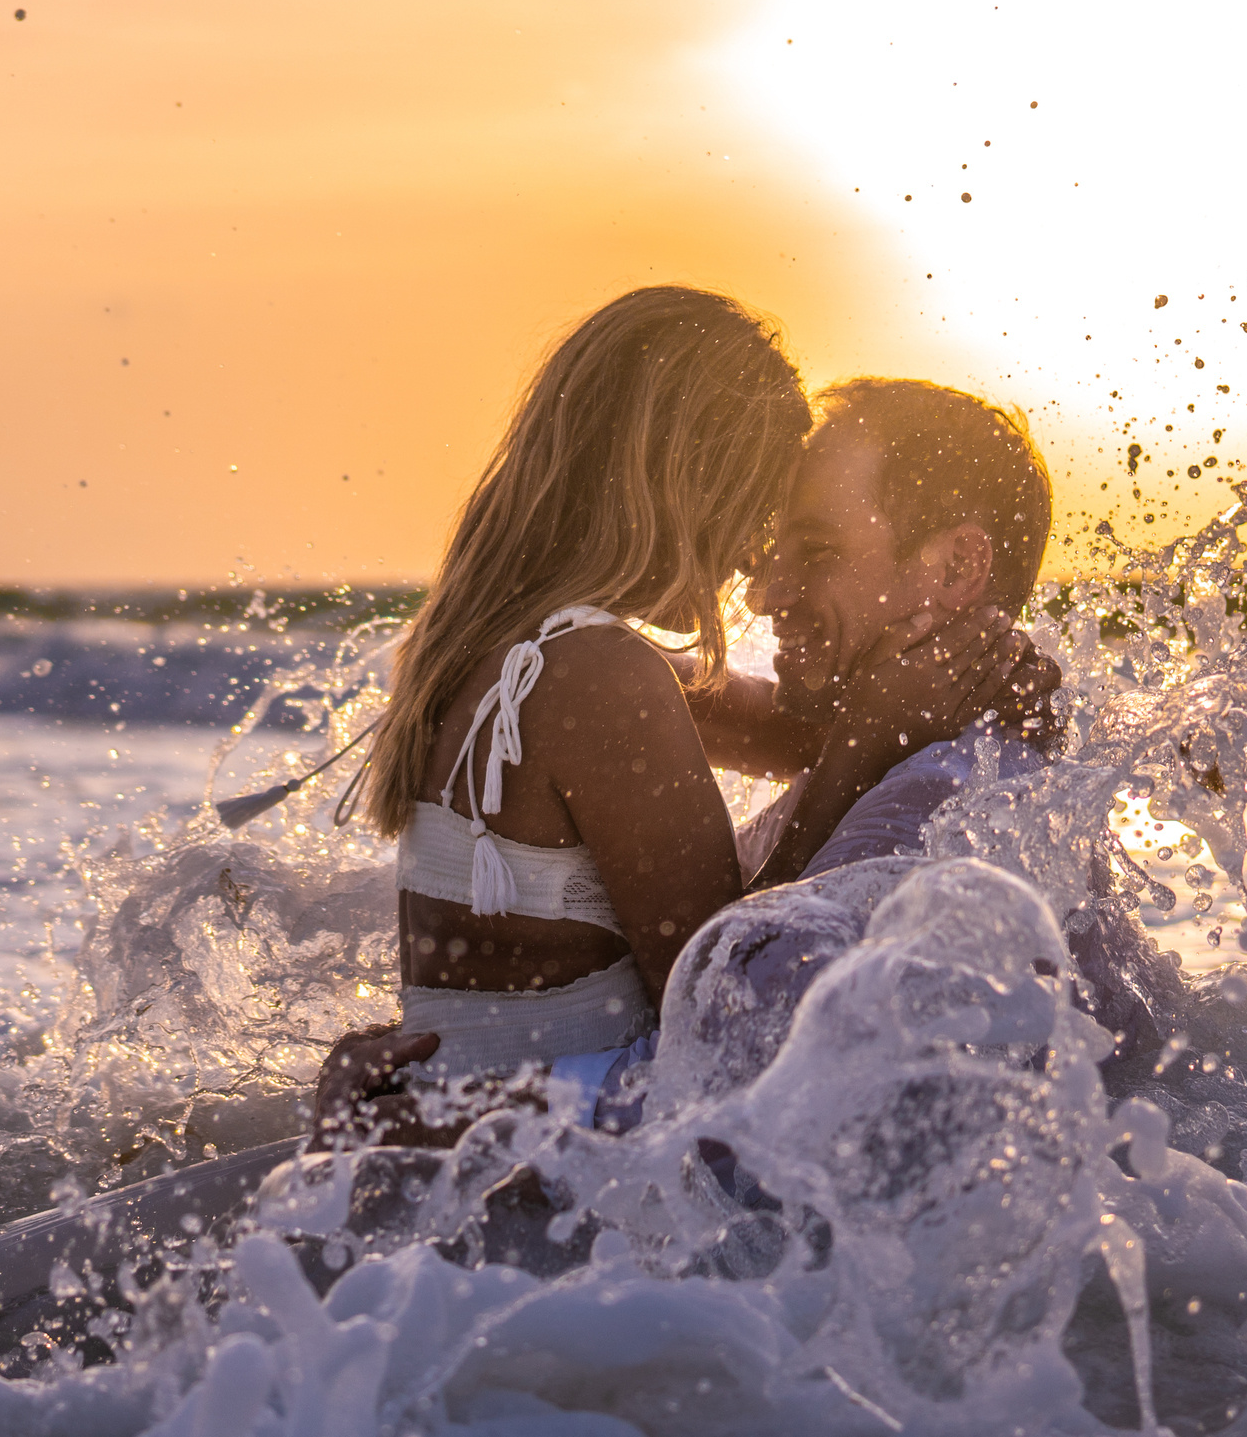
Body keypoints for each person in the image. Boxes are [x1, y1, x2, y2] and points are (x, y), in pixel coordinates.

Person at [320, 377, 1073, 1136]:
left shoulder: (945, 816)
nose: (764, 591)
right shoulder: (908, 757)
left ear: (953, 569)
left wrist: (431, 1114)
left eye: (814, 549)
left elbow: (735, 1078)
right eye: (768, 543)